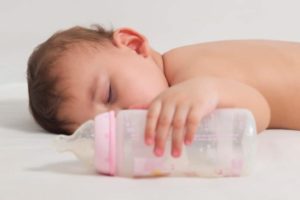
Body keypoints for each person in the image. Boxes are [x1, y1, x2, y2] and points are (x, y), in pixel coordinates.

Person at [27, 25, 300, 158]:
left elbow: (259, 112)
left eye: (109, 94)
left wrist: (209, 90)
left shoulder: (191, 74)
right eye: (110, 124)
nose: (123, 114)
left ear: (133, 45)